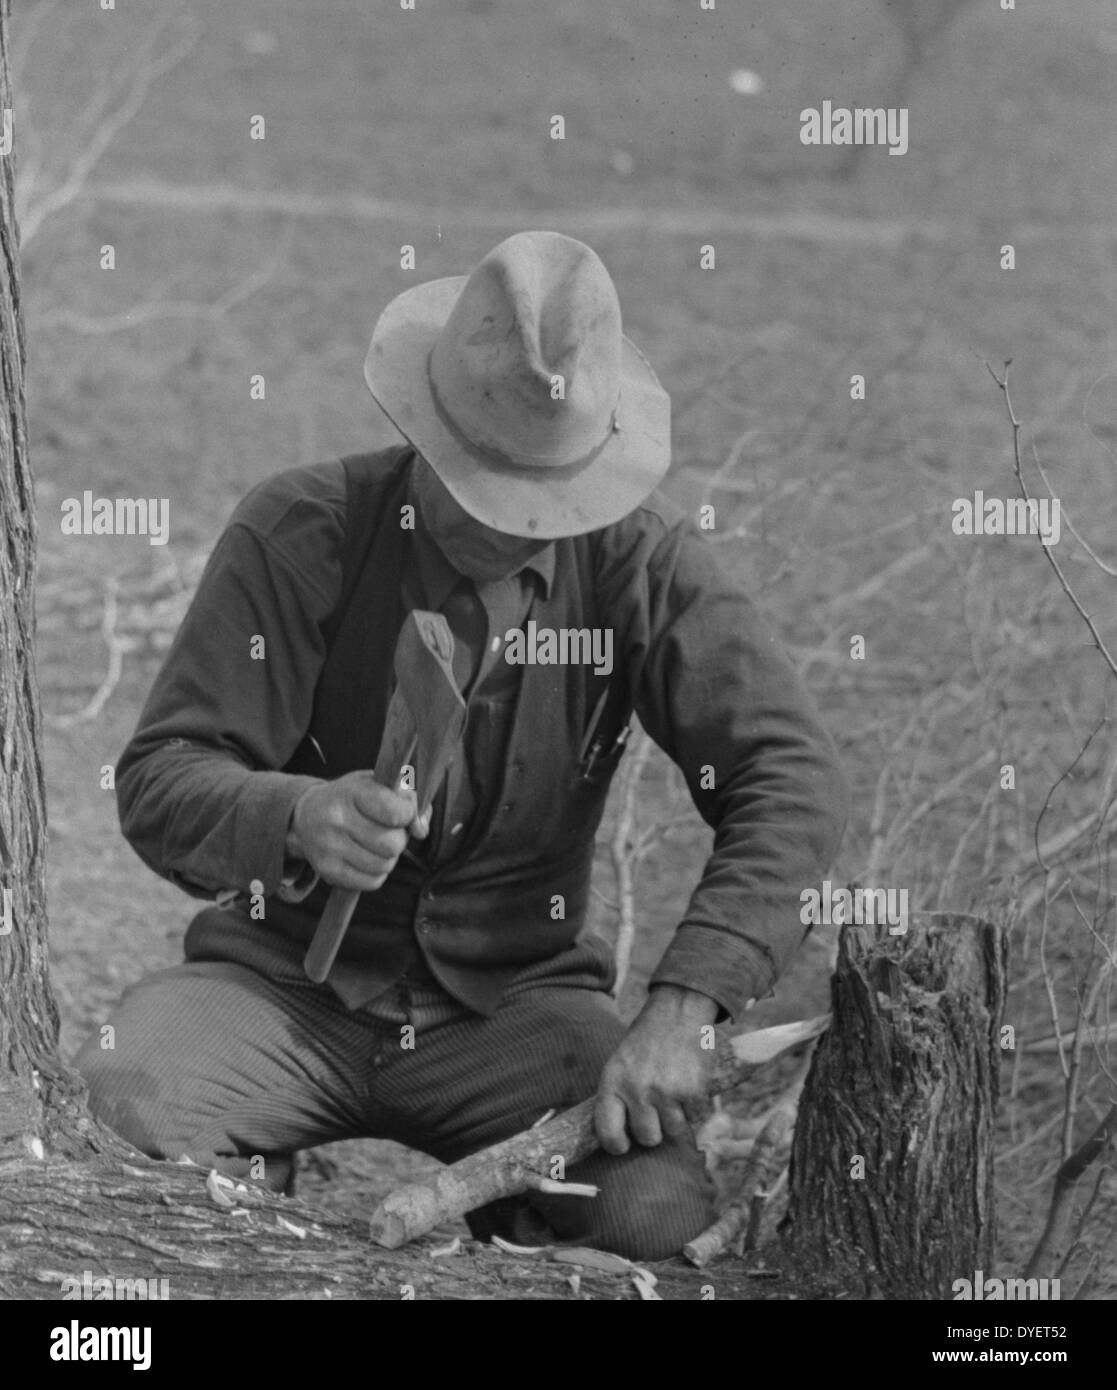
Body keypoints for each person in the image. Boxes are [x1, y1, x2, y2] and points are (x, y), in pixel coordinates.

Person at [76, 230, 850, 1260]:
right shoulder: (299, 530)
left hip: (518, 1012)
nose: (516, 520)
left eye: (546, 493)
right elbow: (160, 777)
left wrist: (684, 1005)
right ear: (424, 429)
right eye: (487, 482)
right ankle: (251, 1205)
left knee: (649, 1219)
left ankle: (513, 1235)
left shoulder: (638, 563)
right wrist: (295, 815)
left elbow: (790, 775)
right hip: (276, 989)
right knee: (117, 1114)